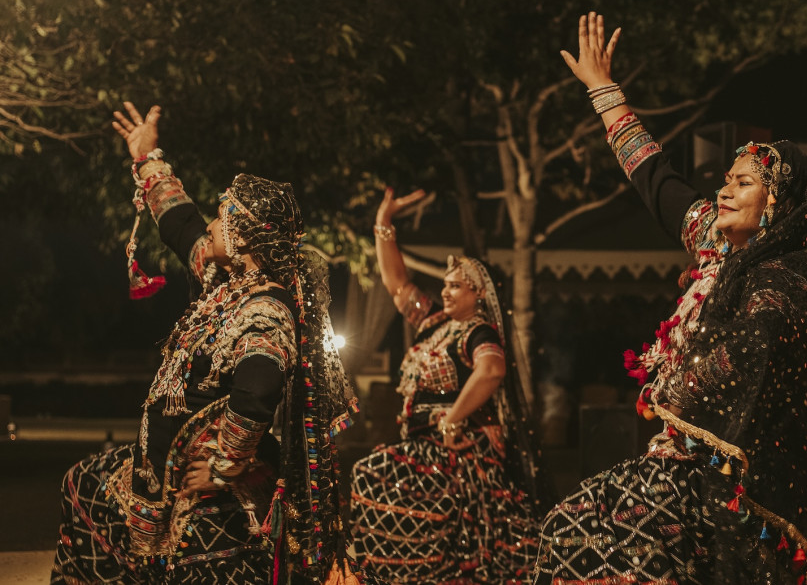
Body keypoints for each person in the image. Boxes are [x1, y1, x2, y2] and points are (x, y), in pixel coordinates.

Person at [532, 13, 807, 584]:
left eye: (743, 183)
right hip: (678, 462)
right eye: (726, 179)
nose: (723, 190)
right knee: (585, 540)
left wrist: (671, 389)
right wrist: (603, 90)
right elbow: (656, 179)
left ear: (777, 203)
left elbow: (745, 354)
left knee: (578, 530)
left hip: (736, 483)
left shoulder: (779, 281)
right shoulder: (717, 246)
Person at [53, 103, 357, 584]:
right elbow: (182, 226)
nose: (211, 226)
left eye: (221, 218)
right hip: (161, 467)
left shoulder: (266, 310)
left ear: (242, 237)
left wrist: (223, 465)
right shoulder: (225, 284)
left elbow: (258, 392)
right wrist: (147, 158)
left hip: (196, 476)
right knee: (81, 483)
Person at [350, 189, 544, 584]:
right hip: (423, 446)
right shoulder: (435, 324)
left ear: (479, 293)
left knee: (372, 474)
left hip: (460, 452)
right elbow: (397, 285)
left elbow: (491, 370)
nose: (444, 291)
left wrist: (452, 420)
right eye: (445, 284)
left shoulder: (477, 331)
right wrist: (384, 224)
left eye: (455, 285)